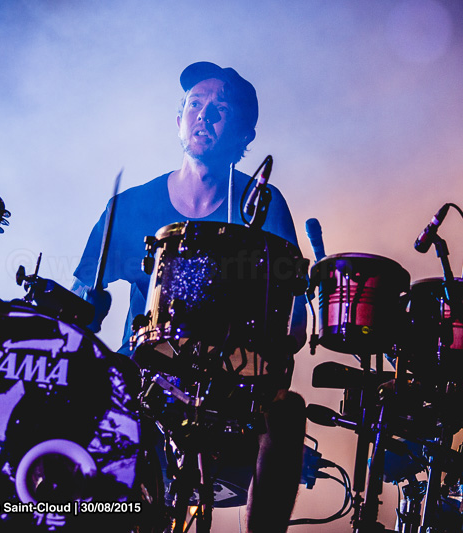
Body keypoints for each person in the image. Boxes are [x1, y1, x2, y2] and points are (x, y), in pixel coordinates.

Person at [72, 62, 307, 533]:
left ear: (244, 134)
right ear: (178, 119)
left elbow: (296, 318)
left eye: (221, 109)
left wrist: (275, 350)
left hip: (235, 378)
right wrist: (84, 313)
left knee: (287, 412)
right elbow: (82, 299)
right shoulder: (131, 206)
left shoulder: (264, 205)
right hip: (145, 370)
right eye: (195, 104)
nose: (204, 115)